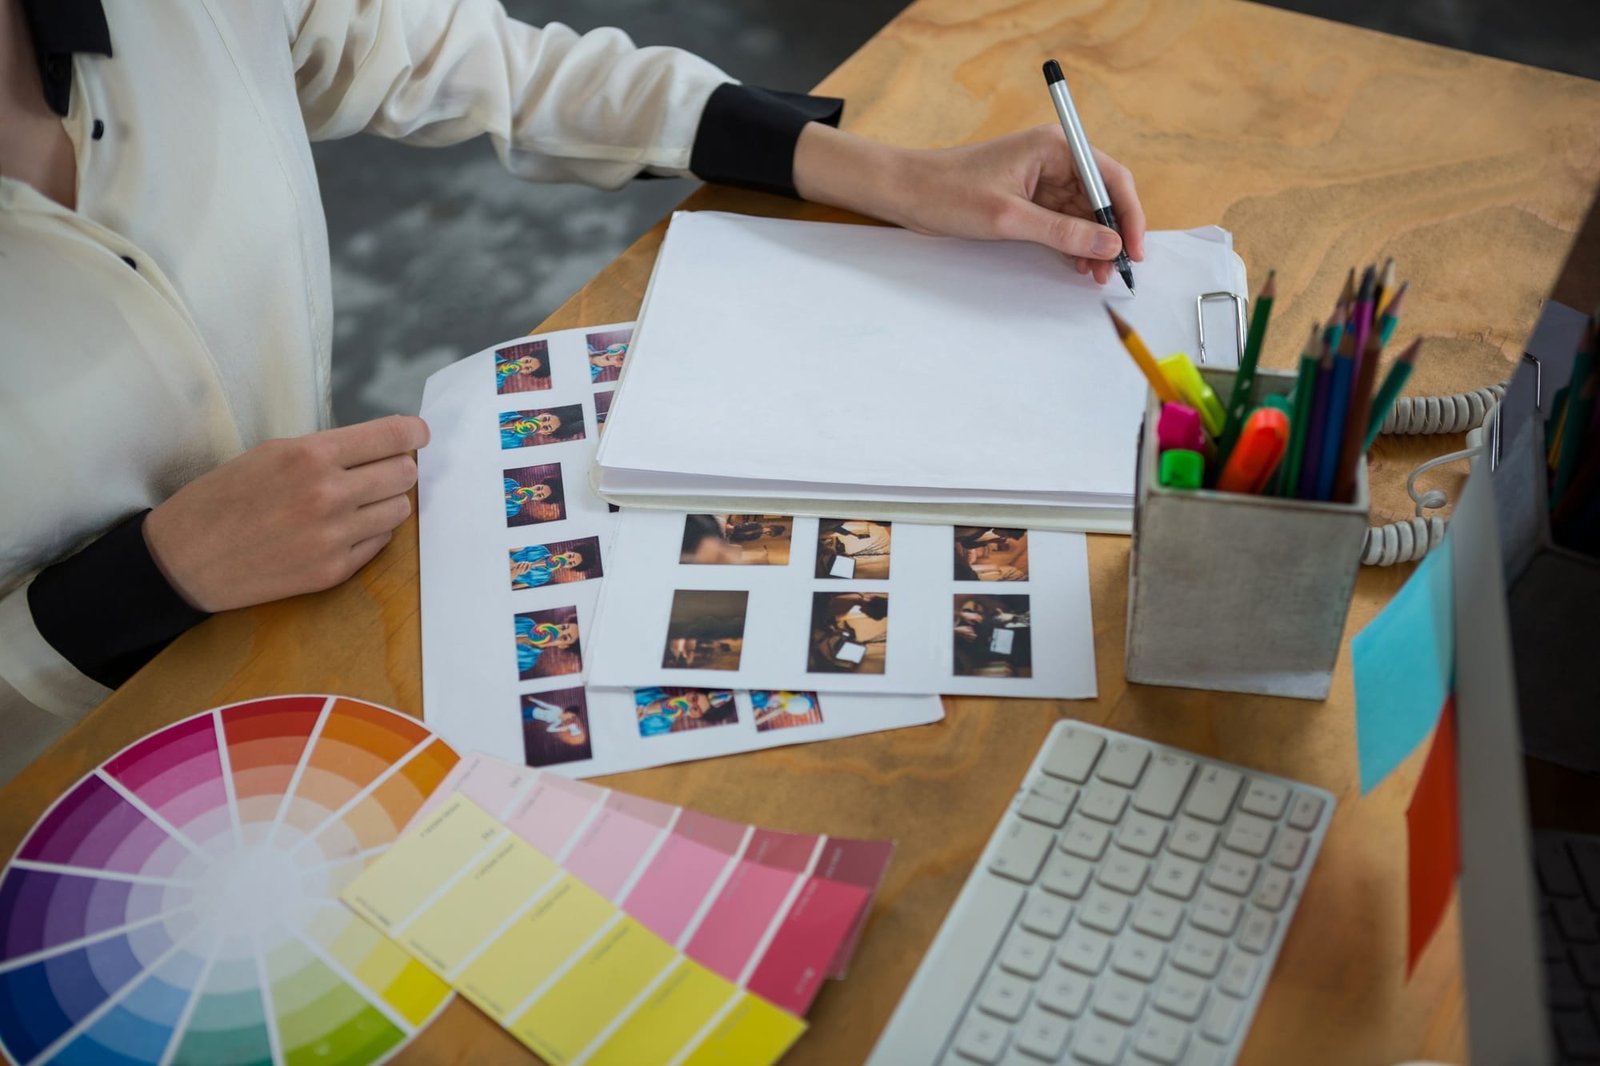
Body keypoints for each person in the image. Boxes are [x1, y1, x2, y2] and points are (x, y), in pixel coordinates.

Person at [0, 0, 1145, 780]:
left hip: (331, 619)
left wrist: (890, 172)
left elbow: (480, 61)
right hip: (57, 766)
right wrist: (140, 583)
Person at [635, 688, 736, 736]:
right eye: (693, 698)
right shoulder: (649, 687)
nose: (689, 705)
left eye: (696, 709)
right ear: (690, 692)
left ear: (695, 716)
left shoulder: (658, 732)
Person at [514, 615, 579, 676]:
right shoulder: (526, 622)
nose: (558, 633)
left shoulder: (527, 661)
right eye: (563, 627)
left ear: (562, 646)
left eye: (565, 638)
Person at [509, 544, 588, 589]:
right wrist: (511, 563)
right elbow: (509, 549)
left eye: (571, 563)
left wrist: (514, 574)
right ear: (567, 551)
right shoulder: (540, 548)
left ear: (568, 568)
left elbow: (513, 587)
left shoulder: (544, 578)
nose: (567, 560)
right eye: (570, 556)